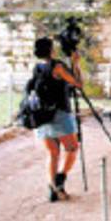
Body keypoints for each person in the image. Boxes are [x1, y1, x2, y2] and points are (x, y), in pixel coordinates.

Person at [31, 36, 82, 202]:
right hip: (59, 115)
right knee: (72, 148)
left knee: (53, 153)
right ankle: (60, 179)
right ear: (51, 50)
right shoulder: (57, 67)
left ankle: (52, 188)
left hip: (41, 116)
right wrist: (75, 63)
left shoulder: (37, 68)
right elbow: (78, 83)